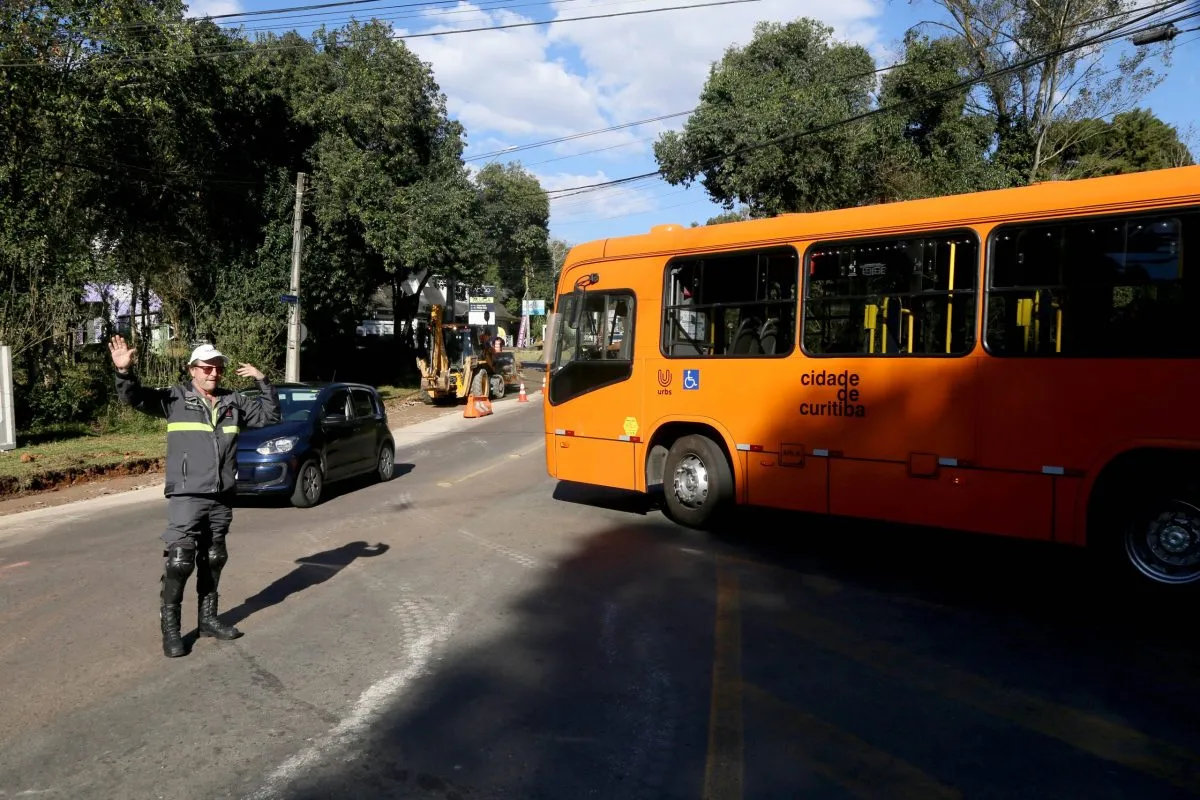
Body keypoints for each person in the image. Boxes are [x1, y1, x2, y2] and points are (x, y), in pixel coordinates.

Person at [109, 335, 281, 658]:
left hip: (222, 496)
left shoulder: (234, 402)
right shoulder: (175, 398)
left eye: (217, 367)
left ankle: (208, 620)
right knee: (180, 561)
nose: (213, 373)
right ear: (192, 370)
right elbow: (134, 398)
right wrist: (123, 373)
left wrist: (262, 380)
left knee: (214, 558)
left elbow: (270, 417)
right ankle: (171, 631)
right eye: (206, 367)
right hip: (187, 496)